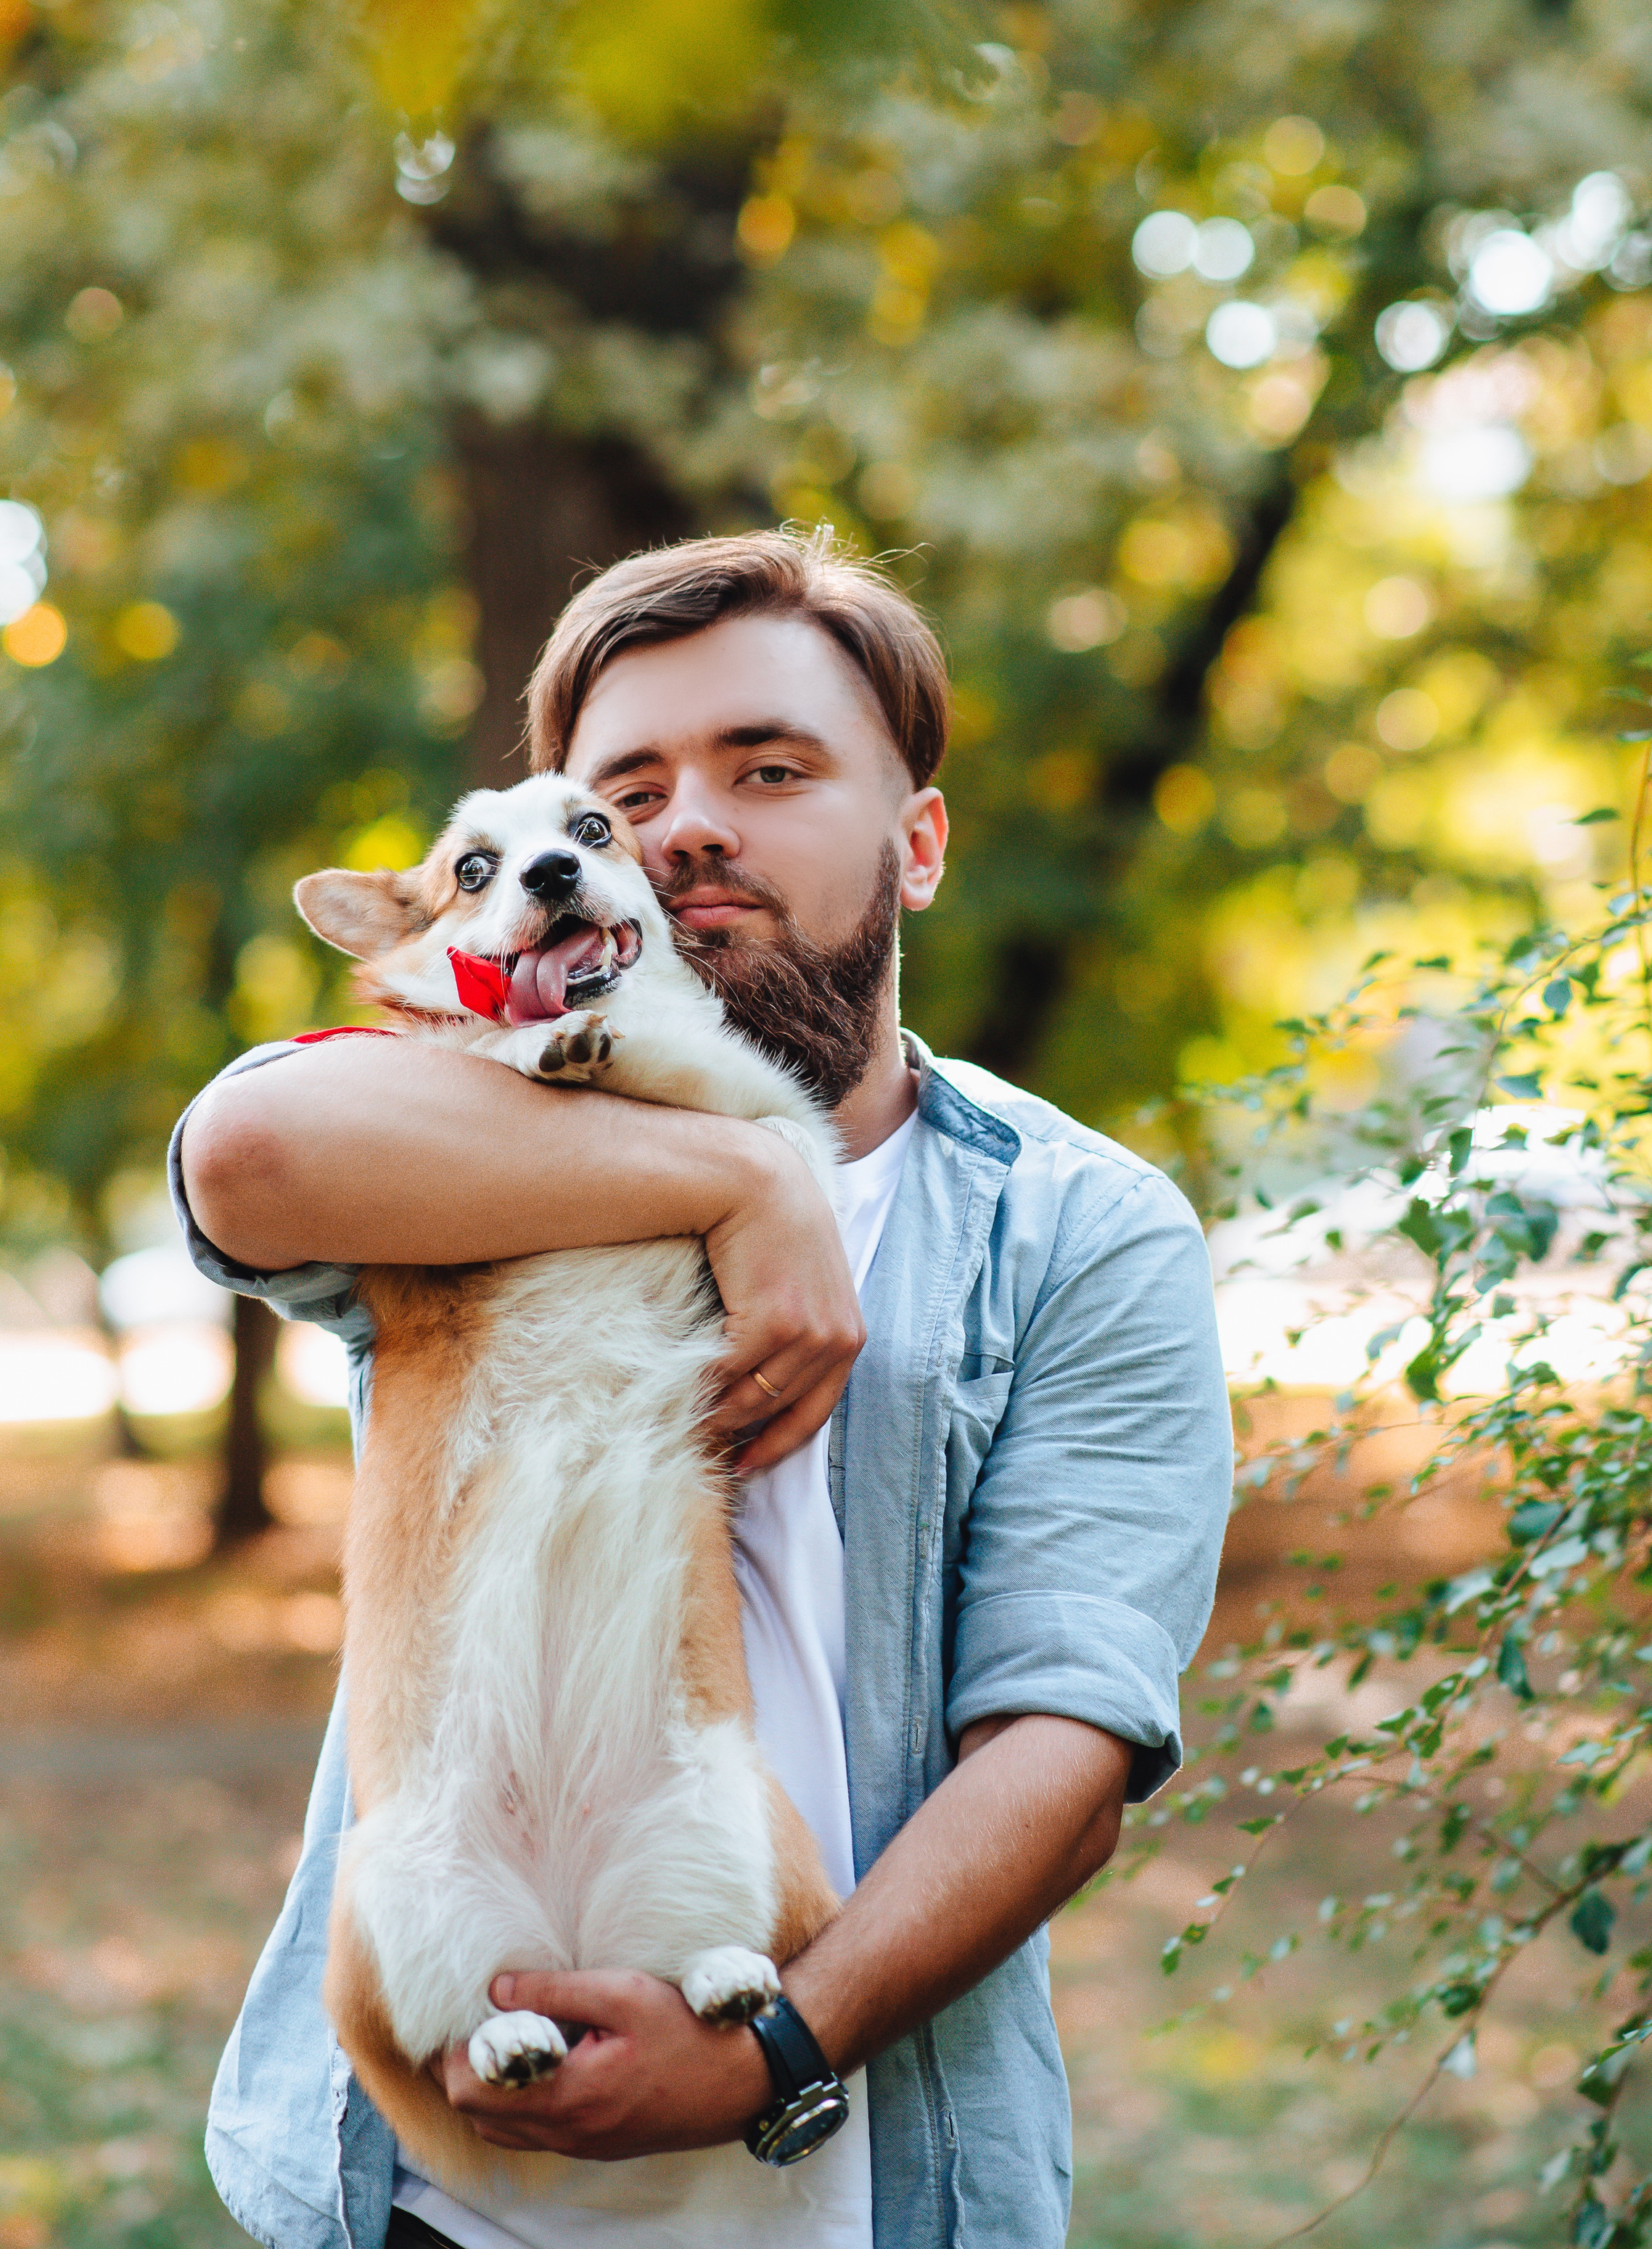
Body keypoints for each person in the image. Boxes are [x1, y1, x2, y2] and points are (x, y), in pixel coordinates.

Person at [175, 527, 1233, 2249]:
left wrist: (773, 2053)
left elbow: (1068, 1730)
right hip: (427, 2193)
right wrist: (752, 1181)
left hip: (858, 2179)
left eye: (770, 765)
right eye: (626, 788)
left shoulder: (1077, 1226)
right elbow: (244, 1149)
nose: (686, 829)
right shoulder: (464, 1117)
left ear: (918, 838)